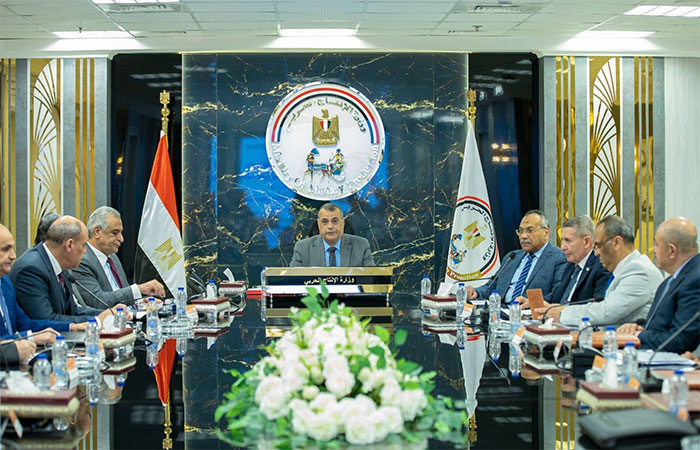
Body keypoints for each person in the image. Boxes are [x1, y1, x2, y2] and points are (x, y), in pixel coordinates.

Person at [543, 215, 663, 326]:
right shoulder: (624, 269)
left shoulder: (639, 271)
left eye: (599, 245)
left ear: (617, 243)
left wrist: (562, 313)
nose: (596, 252)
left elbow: (606, 311)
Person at [9, 216, 129, 324]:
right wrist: (98, 320)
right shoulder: (31, 270)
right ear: (69, 245)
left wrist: (109, 314)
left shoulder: (62, 263)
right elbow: (46, 321)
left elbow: (72, 311)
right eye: (83, 245)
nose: (85, 251)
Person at [617, 217, 699, 353]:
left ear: (671, 251)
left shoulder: (695, 281)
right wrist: (638, 327)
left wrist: (638, 336)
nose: (653, 250)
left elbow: (680, 340)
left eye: (656, 244)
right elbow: (661, 325)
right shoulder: (669, 281)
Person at [0, 224, 87, 343]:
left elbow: (24, 323)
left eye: (12, 249)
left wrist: (70, 327)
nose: (13, 256)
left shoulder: (4, 282)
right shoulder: (30, 268)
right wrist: (30, 338)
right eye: (5, 249)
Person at [72, 207, 165, 308]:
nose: (121, 239)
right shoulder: (81, 261)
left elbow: (122, 295)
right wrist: (138, 289)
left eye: (121, 233)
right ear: (97, 232)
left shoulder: (113, 258)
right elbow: (98, 301)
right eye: (115, 233)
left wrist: (139, 303)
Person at [467, 209, 567, 303]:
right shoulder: (512, 257)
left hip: (529, 312)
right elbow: (491, 287)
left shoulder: (559, 258)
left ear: (546, 233)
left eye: (530, 231)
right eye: (520, 231)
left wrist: (533, 303)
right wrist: (475, 292)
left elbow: (557, 295)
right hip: (501, 310)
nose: (523, 236)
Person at [520, 216, 609, 309]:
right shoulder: (571, 265)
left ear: (586, 242)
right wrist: (533, 302)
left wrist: (563, 310)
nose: (562, 247)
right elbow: (556, 296)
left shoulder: (601, 267)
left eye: (567, 241)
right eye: (562, 240)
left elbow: (597, 307)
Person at [290, 203, 375, 267]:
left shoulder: (361, 246)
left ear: (343, 223)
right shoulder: (302, 248)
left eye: (335, 221)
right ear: (318, 224)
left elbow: (372, 279)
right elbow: (293, 281)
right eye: (325, 221)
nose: (330, 226)